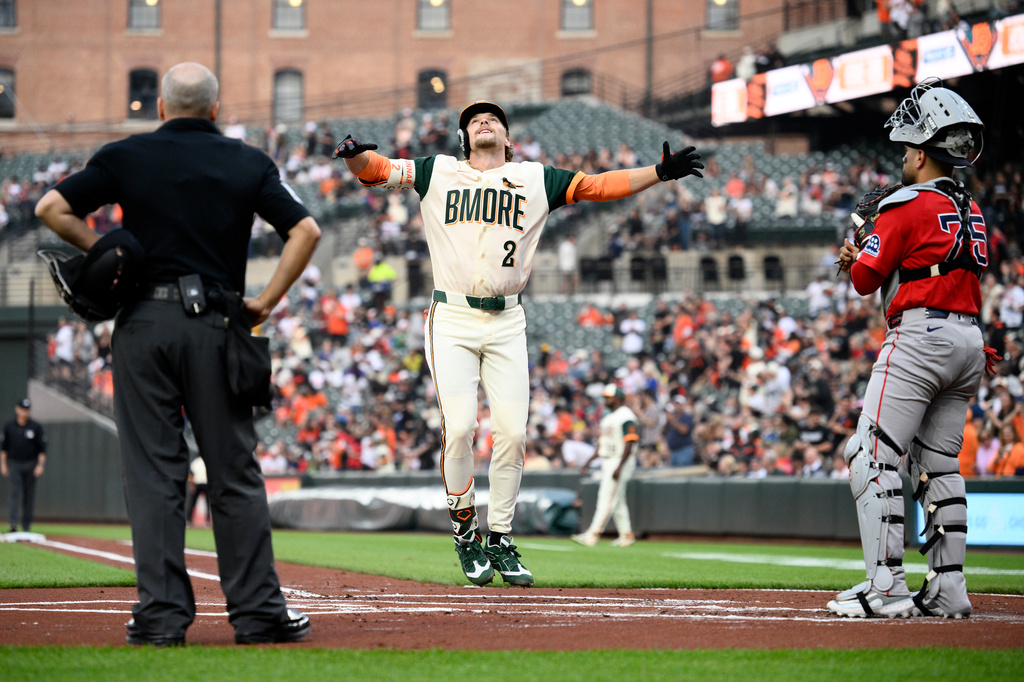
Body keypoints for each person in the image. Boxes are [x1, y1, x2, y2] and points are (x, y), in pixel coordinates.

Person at [334, 100, 703, 587]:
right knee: (461, 425)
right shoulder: (436, 170)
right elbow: (377, 171)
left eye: (492, 119)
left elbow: (597, 186)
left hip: (508, 320)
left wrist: (659, 172)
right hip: (452, 316)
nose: (483, 122)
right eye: (473, 121)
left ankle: (500, 537)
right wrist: (353, 156)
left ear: (508, 136)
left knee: (511, 433)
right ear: (465, 137)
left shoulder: (535, 178)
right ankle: (465, 532)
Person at [34, 62, 320, 645]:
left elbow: (50, 209)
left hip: (142, 321)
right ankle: (259, 616)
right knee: (233, 473)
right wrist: (263, 301)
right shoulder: (248, 161)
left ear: (161, 108)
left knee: (154, 475)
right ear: (216, 110)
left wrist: (110, 248)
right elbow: (307, 231)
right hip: (218, 322)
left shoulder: (125, 155)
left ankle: (162, 619)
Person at [832, 80, 988, 619]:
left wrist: (854, 255)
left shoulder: (906, 202)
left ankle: (887, 586)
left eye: (905, 149)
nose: (902, 157)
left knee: (871, 454)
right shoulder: (970, 207)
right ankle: (949, 589)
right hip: (969, 340)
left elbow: (864, 279)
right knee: (940, 468)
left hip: (921, 336)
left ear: (921, 151)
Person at [570, 385, 640, 547]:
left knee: (606, 498)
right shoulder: (609, 417)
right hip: (609, 458)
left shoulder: (626, 415)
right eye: (605, 397)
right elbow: (603, 445)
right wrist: (588, 461)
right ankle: (626, 534)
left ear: (619, 399)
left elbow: (630, 441)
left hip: (619, 459)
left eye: (609, 397)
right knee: (618, 500)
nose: (606, 400)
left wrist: (620, 466)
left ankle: (593, 534)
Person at [1, 399, 47, 533]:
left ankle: (26, 525)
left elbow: (42, 450)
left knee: (29, 495)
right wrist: (3, 464)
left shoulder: (35, 427)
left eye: (27, 409)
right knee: (14, 493)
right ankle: (13, 524)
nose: (25, 411)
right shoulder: (9, 426)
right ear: (17, 409)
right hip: (14, 463)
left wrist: (40, 465)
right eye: (23, 408)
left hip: (31, 464)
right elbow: (4, 448)